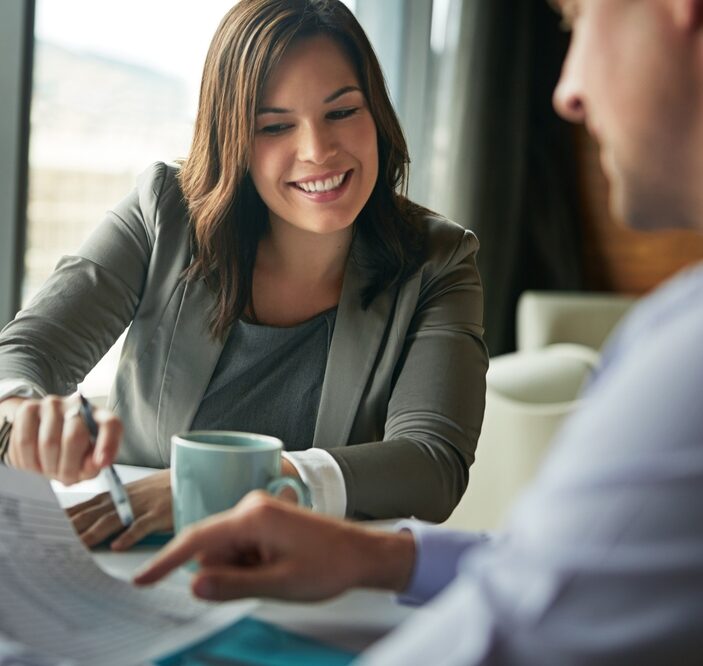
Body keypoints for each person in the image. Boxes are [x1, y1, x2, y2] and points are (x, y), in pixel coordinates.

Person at [135, 0, 703, 662]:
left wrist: (274, 480)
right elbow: (555, 570)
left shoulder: (679, 356)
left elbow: (516, 619)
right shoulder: (164, 215)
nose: (566, 91)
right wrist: (378, 555)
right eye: (274, 125)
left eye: (577, 23)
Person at [0, 0, 487, 549]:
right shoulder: (164, 212)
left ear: (377, 113)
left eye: (343, 112)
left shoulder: (438, 260)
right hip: (126, 561)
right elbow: (23, 353)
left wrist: (208, 489)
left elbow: (432, 466)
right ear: (233, 139)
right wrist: (20, 417)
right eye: (275, 126)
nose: (318, 150)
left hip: (306, 586)